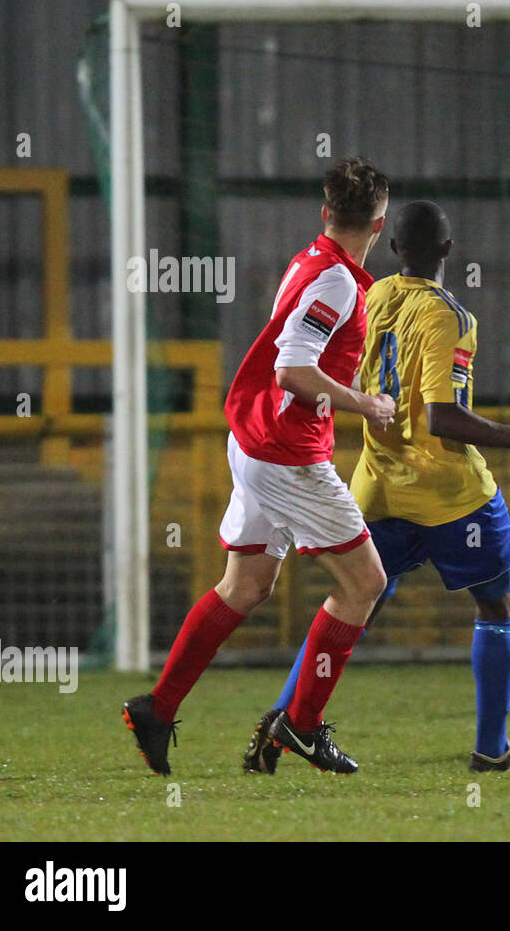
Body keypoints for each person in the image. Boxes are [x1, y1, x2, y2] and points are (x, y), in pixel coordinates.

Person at [242, 200, 510, 775]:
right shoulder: (450, 317)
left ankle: (281, 720)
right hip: (448, 493)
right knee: (498, 602)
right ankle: (492, 749)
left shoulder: (373, 295)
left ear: (394, 248)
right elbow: (443, 417)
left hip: (378, 484)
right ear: (447, 249)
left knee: (353, 605)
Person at [123, 157, 393, 775]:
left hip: (252, 438)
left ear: (327, 215)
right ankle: (300, 726)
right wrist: (365, 404)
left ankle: (156, 709)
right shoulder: (338, 284)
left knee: (245, 587)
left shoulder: (312, 261)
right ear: (380, 222)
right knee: (365, 584)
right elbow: (292, 371)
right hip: (286, 456)